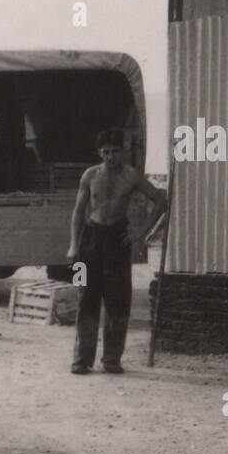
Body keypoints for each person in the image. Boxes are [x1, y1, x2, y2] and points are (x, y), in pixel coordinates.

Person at [66, 128, 168, 374]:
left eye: (114, 152)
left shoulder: (131, 176)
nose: (110, 157)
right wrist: (73, 246)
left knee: (118, 301)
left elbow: (161, 199)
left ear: (122, 152)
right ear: (99, 153)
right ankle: (81, 359)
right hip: (89, 242)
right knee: (85, 298)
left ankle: (112, 358)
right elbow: (78, 211)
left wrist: (142, 231)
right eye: (105, 152)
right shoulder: (90, 175)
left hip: (118, 242)